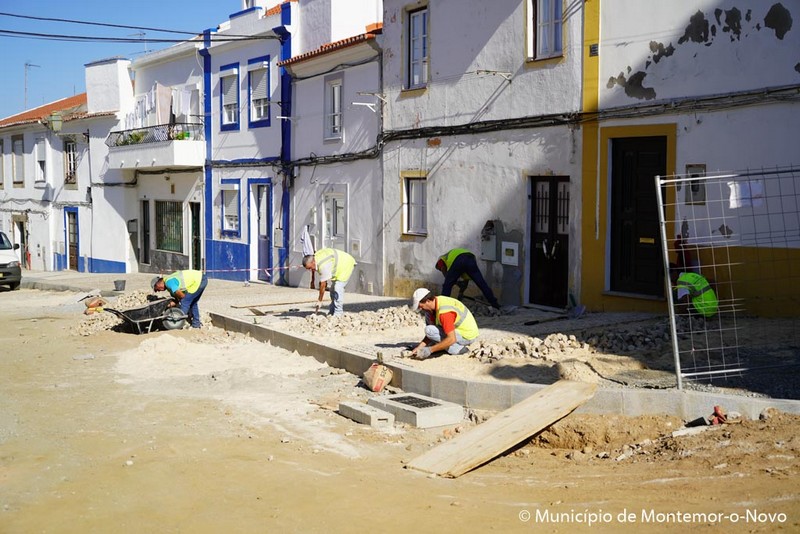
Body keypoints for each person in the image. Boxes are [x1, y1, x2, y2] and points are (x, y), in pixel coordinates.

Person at [408, 288, 479, 359]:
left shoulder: (444, 312)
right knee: (430, 326)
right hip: (457, 331)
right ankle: (439, 345)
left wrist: (430, 350)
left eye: (421, 306)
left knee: (429, 330)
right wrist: (419, 347)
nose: (421, 309)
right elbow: (431, 334)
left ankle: (459, 349)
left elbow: (452, 339)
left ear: (428, 301)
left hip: (467, 336)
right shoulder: (436, 302)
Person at [435, 248, 500, 309]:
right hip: (470, 258)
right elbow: (465, 281)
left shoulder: (441, 259)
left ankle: (443, 306)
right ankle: (495, 304)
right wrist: (461, 292)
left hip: (458, 259)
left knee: (447, 285)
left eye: (439, 269)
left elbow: (444, 270)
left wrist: (451, 280)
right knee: (481, 283)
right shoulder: (453, 256)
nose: (440, 270)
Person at [302, 247, 357, 316]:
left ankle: (338, 313)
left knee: (337, 288)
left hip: (345, 265)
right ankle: (332, 310)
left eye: (310, 268)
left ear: (313, 262)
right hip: (339, 267)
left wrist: (320, 300)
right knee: (332, 290)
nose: (310, 270)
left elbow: (323, 285)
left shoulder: (323, 265)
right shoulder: (316, 257)